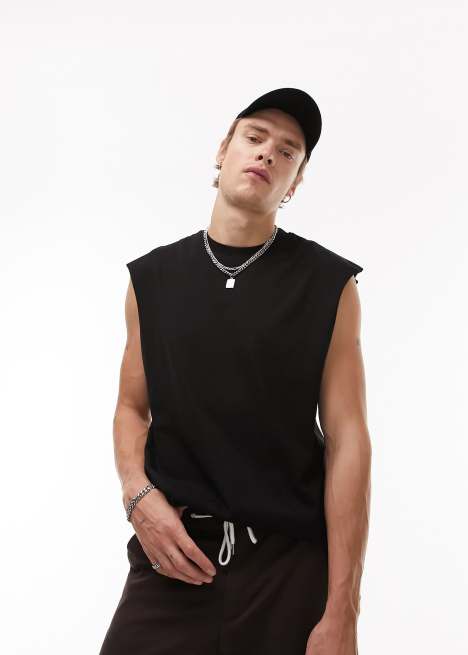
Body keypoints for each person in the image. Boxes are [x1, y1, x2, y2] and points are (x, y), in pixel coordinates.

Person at [99, 88, 371, 655]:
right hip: (173, 557)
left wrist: (342, 609)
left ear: (294, 182)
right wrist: (137, 494)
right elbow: (130, 408)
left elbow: (348, 440)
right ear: (224, 150)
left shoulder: (329, 286)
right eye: (255, 137)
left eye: (288, 151)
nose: (268, 152)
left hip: (287, 568)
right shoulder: (152, 279)